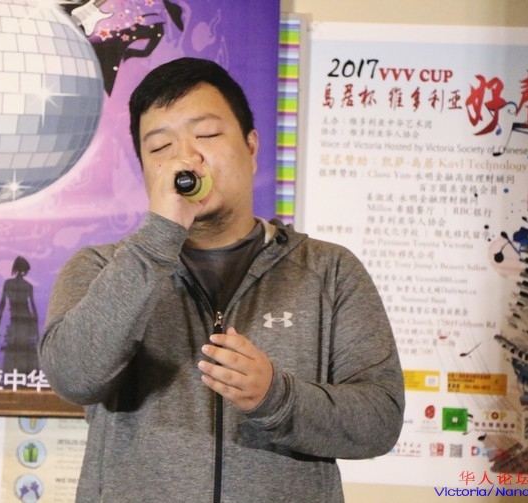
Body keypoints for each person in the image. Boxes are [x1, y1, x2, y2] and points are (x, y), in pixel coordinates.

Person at [39, 57, 405, 503]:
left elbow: (380, 420)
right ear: (145, 171)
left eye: (208, 135)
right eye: (160, 147)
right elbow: (74, 377)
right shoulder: (99, 267)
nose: (186, 158)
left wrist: (277, 397)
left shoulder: (329, 271)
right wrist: (157, 238)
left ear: (251, 147)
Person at [0, 256, 39, 373]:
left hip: (16, 321)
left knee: (14, 353)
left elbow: (1, 306)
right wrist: (37, 331)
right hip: (25, 322)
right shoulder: (28, 286)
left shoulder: (8, 284)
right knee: (24, 353)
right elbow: (33, 309)